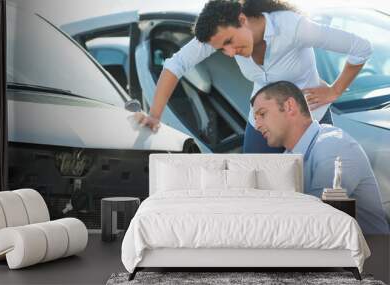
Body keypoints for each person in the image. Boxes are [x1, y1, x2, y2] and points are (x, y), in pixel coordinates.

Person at [137, 0, 372, 153]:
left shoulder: (293, 28)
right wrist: (154, 115)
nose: (229, 53)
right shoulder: (218, 35)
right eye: (221, 50)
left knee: (315, 195)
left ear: (242, 20)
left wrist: (335, 90)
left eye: (229, 42)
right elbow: (175, 65)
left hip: (309, 120)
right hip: (262, 126)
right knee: (262, 197)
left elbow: (360, 47)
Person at [251, 80, 389, 234]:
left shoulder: (334, 146)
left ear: (289, 106)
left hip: (369, 254)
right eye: (256, 119)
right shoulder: (289, 157)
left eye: (262, 114)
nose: (257, 126)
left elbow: (316, 222)